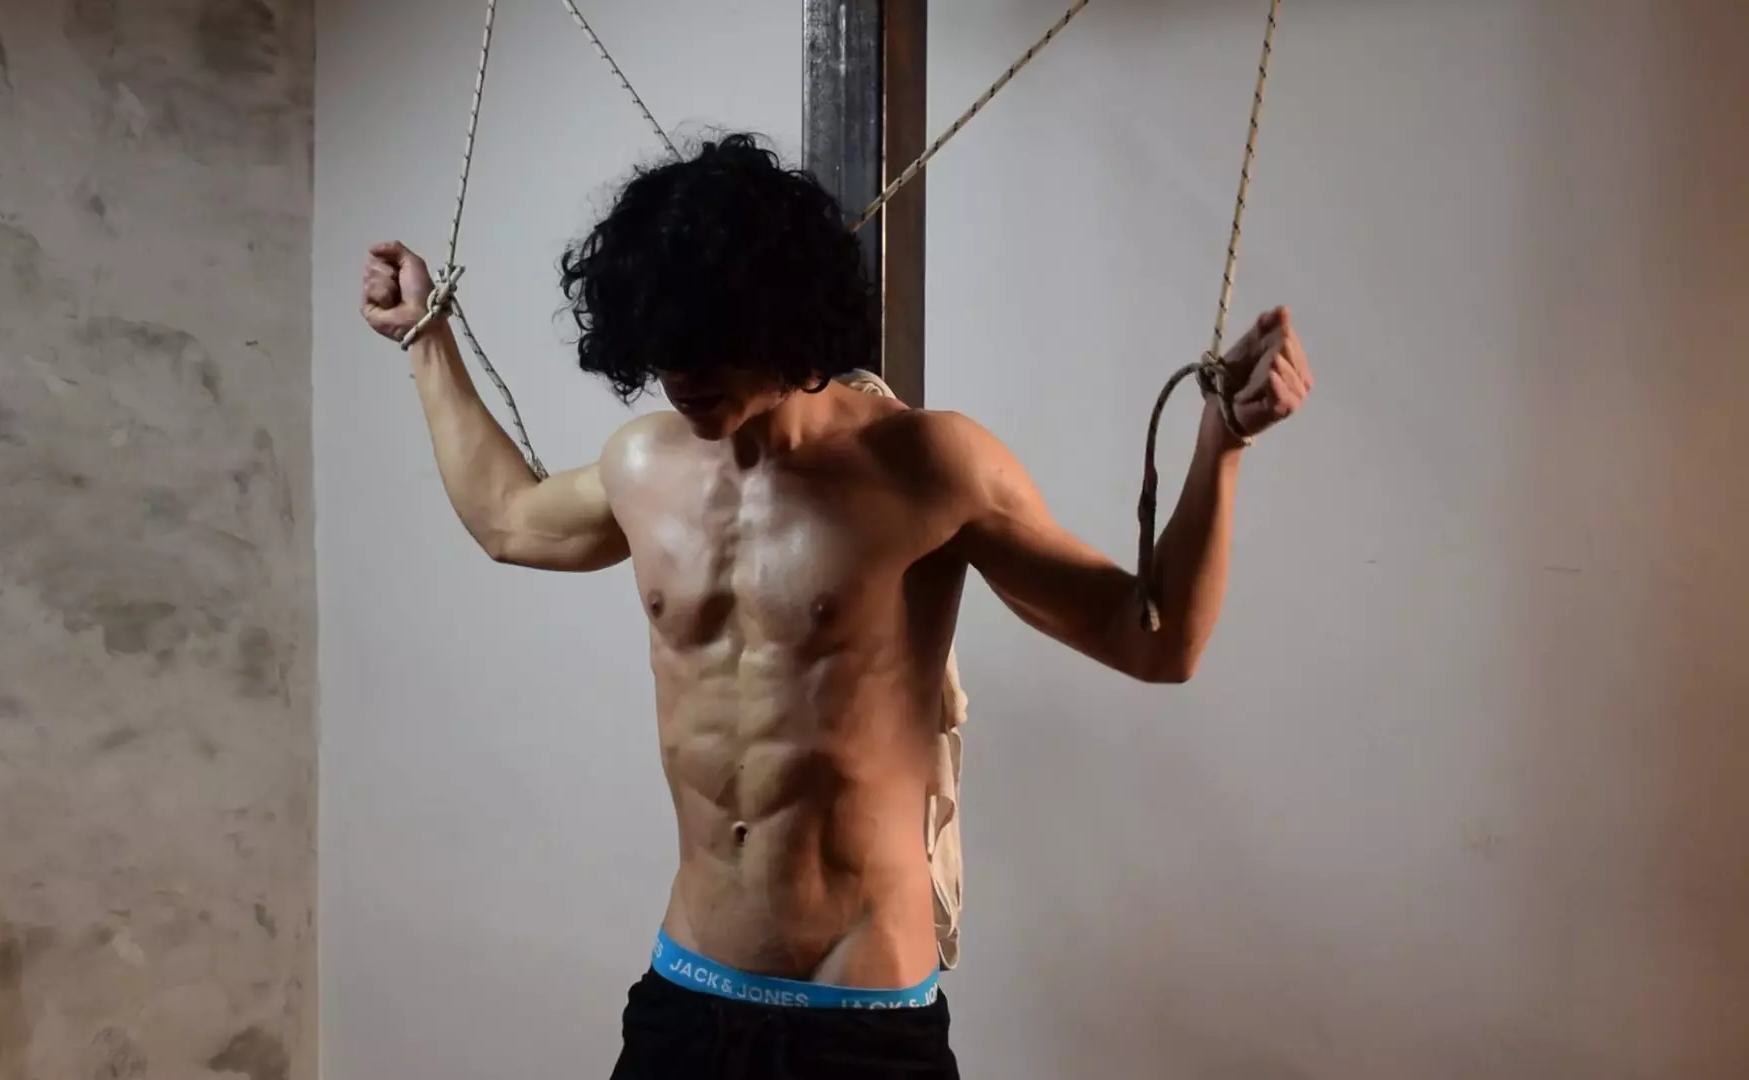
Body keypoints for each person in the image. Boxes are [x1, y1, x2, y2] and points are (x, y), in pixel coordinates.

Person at [361, 133, 1312, 1079]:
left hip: (862, 1021)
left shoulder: (928, 466)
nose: (681, 377)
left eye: (708, 344)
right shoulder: (643, 464)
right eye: (661, 349)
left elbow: (1154, 642)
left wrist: (1220, 443)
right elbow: (508, 520)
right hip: (687, 997)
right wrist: (423, 338)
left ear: (784, 318)